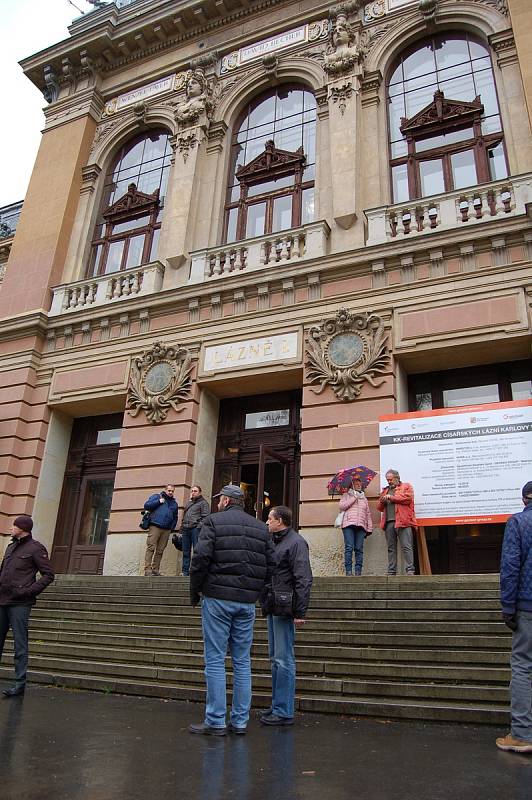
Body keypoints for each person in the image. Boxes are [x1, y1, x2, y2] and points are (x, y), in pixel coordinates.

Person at [189, 484, 275, 736]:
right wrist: (256, 592)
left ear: (227, 501)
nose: (217, 503)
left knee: (215, 660)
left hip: (217, 598)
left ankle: (215, 720)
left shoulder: (213, 522)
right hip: (246, 602)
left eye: (220, 500)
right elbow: (271, 564)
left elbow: (200, 558)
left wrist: (195, 591)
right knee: (242, 661)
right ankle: (239, 721)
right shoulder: (261, 527)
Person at [260, 505, 313, 727]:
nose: (267, 522)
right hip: (273, 604)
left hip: (285, 606)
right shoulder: (275, 541)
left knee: (283, 659)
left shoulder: (296, 542)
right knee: (275, 659)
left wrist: (300, 611)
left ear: (280, 520)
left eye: (270, 519)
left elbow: (303, 577)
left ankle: (284, 710)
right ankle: (277, 704)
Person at [496, 480, 532, 753]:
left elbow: (510, 566)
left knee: (522, 665)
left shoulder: (518, 523)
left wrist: (508, 607)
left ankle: (521, 733)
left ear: (524, 500)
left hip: (527, 605)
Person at [0, 515, 54, 697]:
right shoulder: (10, 547)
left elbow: (48, 575)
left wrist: (28, 591)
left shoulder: (36, 548)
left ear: (23, 528)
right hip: (2, 600)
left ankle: (19, 683)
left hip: (20, 603)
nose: (11, 528)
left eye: (14, 526)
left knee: (19, 643)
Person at [377, 469, 417, 576]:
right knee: (391, 548)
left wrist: (392, 497)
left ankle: (410, 570)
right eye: (387, 480)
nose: (389, 481)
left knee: (406, 546)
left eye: (390, 479)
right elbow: (379, 508)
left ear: (397, 478)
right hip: (389, 522)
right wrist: (382, 500)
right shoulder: (385, 490)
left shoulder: (406, 486)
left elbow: (408, 498)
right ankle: (391, 571)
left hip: (403, 521)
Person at [339, 477, 373, 576]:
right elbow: (342, 506)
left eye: (360, 484)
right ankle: (348, 571)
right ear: (352, 485)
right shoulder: (346, 495)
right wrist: (354, 498)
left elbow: (368, 514)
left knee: (359, 548)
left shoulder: (364, 498)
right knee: (349, 547)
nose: (359, 485)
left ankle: (358, 572)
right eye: (356, 484)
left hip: (361, 526)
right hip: (348, 524)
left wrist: (369, 528)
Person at [143, 484, 178, 576]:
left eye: (172, 491)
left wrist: (172, 528)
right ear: (165, 490)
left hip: (166, 529)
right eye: (169, 490)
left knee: (160, 550)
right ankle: (147, 569)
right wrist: (158, 501)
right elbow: (146, 505)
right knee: (151, 547)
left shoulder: (174, 503)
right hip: (155, 526)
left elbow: (175, 517)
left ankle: (155, 569)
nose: (170, 492)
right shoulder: (157, 496)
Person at [180, 485, 210, 577]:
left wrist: (198, 526)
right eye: (192, 491)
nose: (193, 492)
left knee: (197, 551)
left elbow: (205, 517)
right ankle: (185, 571)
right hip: (186, 529)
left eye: (195, 491)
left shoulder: (203, 503)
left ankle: (195, 570)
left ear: (200, 492)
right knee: (185, 551)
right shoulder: (189, 503)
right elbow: (184, 516)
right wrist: (181, 528)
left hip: (195, 529)